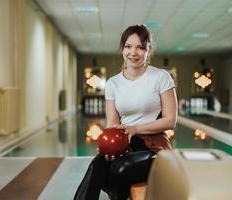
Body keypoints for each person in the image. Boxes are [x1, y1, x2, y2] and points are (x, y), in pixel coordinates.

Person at [74, 24, 178, 200]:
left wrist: (135, 129)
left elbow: (170, 121)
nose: (133, 53)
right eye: (128, 46)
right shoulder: (113, 84)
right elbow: (112, 124)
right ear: (122, 48)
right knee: (97, 165)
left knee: (120, 168)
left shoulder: (161, 77)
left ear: (148, 50)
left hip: (154, 148)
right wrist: (107, 144)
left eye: (140, 47)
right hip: (124, 144)